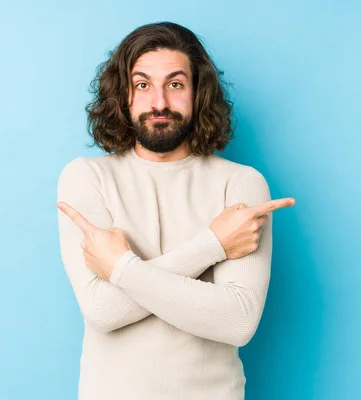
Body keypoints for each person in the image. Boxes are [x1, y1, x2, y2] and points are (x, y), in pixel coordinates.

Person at [56, 21, 295, 400]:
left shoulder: (241, 184)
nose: (160, 103)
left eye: (175, 84)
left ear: (198, 92)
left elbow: (238, 321)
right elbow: (102, 310)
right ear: (124, 95)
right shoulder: (87, 178)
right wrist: (214, 244)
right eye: (143, 85)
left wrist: (121, 270)